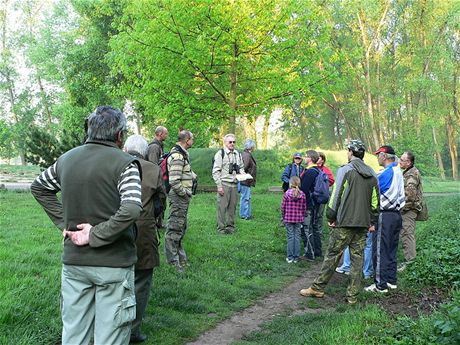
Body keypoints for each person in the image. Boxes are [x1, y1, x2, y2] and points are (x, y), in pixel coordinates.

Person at [31, 106, 142, 345]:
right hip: (113, 263)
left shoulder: (66, 159)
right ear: (119, 135)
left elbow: (39, 187)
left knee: (74, 336)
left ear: (89, 129)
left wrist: (64, 223)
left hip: (74, 263)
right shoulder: (126, 163)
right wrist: (95, 233)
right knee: (110, 337)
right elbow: (132, 207)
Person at [299, 140, 379, 304]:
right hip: (363, 224)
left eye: (348, 150)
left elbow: (336, 196)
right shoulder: (372, 173)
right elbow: (375, 202)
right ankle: (352, 296)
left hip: (344, 222)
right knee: (358, 260)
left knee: (333, 255)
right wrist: (372, 220)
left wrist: (331, 216)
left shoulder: (345, 170)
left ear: (350, 152)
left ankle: (317, 288)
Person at [124, 135, 166, 343]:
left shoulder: (115, 164)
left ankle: (112, 326)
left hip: (115, 228)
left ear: (125, 148)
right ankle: (133, 330)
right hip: (144, 230)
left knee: (117, 279)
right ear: (143, 151)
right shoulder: (153, 169)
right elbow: (161, 200)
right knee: (141, 279)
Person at [365, 145, 405, 293]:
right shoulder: (398, 171)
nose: (377, 157)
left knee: (380, 250)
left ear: (385, 156)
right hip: (396, 214)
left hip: (384, 214)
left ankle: (380, 285)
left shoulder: (386, 173)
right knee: (391, 249)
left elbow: (373, 190)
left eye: (379, 154)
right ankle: (391, 280)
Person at [164, 130, 197, 272]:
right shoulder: (178, 156)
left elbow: (182, 173)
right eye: (192, 138)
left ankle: (181, 259)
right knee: (174, 229)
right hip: (178, 197)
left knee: (180, 228)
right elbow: (174, 181)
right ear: (187, 139)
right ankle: (173, 263)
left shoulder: (181, 154)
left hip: (181, 198)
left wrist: (192, 176)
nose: (193, 141)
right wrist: (185, 193)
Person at [212, 133, 246, 234]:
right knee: (222, 208)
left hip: (235, 185)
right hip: (224, 184)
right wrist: (219, 186)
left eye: (234, 142)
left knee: (232, 207)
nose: (232, 144)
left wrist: (244, 175)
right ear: (225, 143)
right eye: (230, 142)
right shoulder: (220, 154)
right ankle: (221, 228)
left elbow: (241, 168)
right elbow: (215, 171)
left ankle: (230, 227)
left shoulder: (237, 154)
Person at [398, 150, 423, 271]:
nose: (399, 161)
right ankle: (409, 260)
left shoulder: (411, 175)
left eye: (402, 160)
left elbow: (410, 196)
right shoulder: (408, 172)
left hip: (409, 210)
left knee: (407, 235)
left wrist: (402, 209)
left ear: (408, 162)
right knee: (406, 234)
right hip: (408, 209)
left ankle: (410, 262)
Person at [299, 150, 321, 260]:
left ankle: (310, 254)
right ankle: (317, 251)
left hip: (308, 204)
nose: (304, 158)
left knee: (306, 229)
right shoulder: (317, 170)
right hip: (314, 203)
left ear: (310, 158)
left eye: (306, 156)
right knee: (313, 227)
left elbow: (303, 189)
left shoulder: (310, 172)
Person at [147, 126, 169, 229]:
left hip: (161, 177)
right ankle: (154, 222)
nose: (167, 135)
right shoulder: (154, 147)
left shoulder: (160, 145)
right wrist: (156, 182)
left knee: (162, 199)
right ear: (160, 134)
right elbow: (152, 165)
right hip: (155, 179)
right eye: (165, 133)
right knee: (158, 200)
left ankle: (160, 222)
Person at [281, 176, 306, 263]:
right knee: (297, 237)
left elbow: (283, 207)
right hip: (298, 219)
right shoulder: (302, 194)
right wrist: (302, 217)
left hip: (288, 218)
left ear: (290, 183)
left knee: (290, 237)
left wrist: (283, 217)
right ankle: (296, 257)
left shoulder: (287, 194)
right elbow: (304, 208)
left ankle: (290, 257)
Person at [239, 139, 257, 220]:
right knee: (245, 198)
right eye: (254, 146)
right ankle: (244, 215)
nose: (254, 147)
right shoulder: (246, 155)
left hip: (247, 180)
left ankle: (247, 214)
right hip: (245, 180)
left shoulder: (247, 154)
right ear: (251, 146)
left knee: (247, 198)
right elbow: (244, 167)